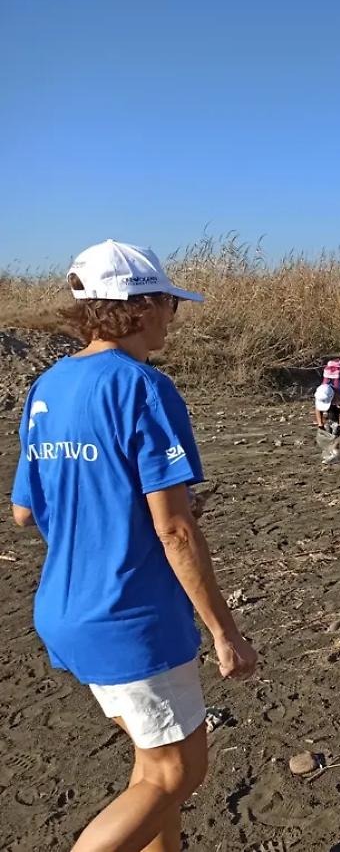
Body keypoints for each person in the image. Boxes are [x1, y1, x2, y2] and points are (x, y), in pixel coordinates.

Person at [9, 240, 257, 852]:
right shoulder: (143, 387)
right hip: (131, 617)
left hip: (65, 611)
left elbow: (23, 511)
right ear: (142, 307)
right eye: (169, 304)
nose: (173, 316)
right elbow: (173, 531)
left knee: (151, 771)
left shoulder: (48, 387)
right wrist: (225, 632)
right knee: (178, 774)